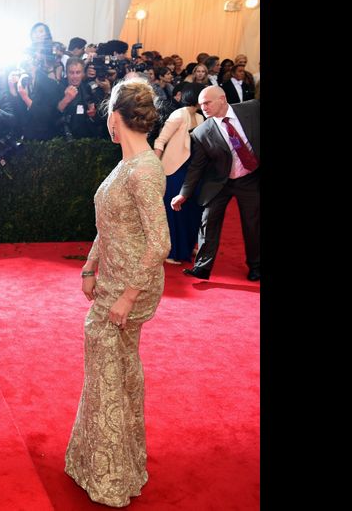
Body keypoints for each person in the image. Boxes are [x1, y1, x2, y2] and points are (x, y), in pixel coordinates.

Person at [65, 78, 170, 507]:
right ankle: (109, 459)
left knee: (109, 370)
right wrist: (90, 266)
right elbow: (110, 227)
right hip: (112, 277)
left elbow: (159, 242)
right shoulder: (127, 163)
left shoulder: (144, 169)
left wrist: (127, 296)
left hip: (130, 286)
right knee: (116, 369)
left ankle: (111, 476)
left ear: (114, 117)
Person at [171, 86, 259, 281]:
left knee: (253, 224)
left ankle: (256, 266)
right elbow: (197, 166)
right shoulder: (201, 132)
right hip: (220, 182)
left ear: (222, 98)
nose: (203, 107)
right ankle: (202, 267)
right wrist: (184, 194)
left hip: (250, 177)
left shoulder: (252, 109)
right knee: (208, 221)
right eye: (201, 104)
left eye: (207, 103)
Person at [152, 83, 206, 264]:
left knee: (193, 209)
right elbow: (161, 140)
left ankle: (188, 246)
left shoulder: (201, 118)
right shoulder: (178, 114)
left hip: (194, 172)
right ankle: (173, 251)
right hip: (174, 170)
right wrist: (154, 166)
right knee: (175, 211)